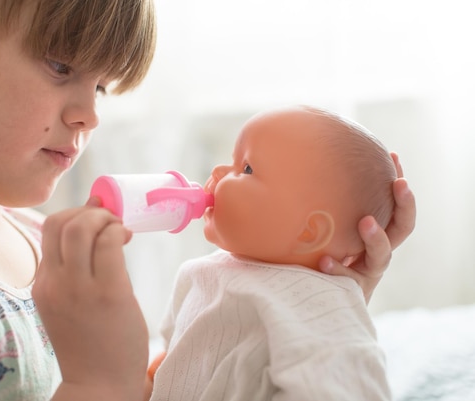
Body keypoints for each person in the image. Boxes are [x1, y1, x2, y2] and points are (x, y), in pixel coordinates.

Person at [0, 0, 414, 399]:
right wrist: (97, 382)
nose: (88, 115)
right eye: (59, 64)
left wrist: (312, 298)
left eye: (100, 85)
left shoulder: (42, 241)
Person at [148, 106, 406, 401]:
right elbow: (173, 356)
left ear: (309, 232)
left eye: (246, 169)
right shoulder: (197, 272)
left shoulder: (319, 306)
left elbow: (347, 385)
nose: (218, 173)